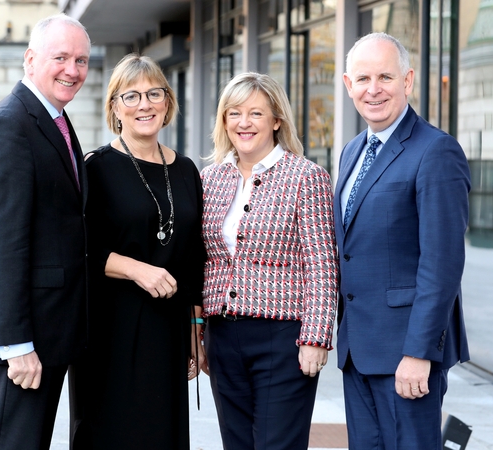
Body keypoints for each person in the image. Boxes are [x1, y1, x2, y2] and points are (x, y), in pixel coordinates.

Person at [334, 32, 470, 449]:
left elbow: (442, 264)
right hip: (358, 349)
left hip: (406, 354)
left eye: (385, 77)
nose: (373, 89)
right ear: (348, 85)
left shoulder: (436, 151)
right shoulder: (352, 151)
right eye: (363, 79)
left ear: (407, 80)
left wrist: (419, 353)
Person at [0, 13, 90, 450]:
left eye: (81, 60)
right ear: (30, 59)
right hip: (22, 340)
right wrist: (16, 344)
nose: (72, 70)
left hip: (50, 330)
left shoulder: (52, 118)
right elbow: (1, 245)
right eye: (61, 57)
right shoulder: (9, 125)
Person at [199, 72, 339, 449]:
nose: (243, 123)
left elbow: (322, 264)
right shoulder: (209, 178)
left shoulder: (306, 177)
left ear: (276, 120)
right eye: (234, 113)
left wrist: (316, 338)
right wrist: (199, 330)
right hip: (223, 336)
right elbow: (204, 260)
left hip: (283, 338)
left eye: (256, 113)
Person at [74, 54, 205, 449]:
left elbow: (194, 257)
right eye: (130, 96)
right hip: (111, 329)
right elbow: (79, 248)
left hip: (168, 329)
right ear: (115, 108)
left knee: (162, 434)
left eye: (154, 94)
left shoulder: (186, 170)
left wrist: (195, 330)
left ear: (168, 102)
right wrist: (136, 269)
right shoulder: (95, 168)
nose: (144, 105)